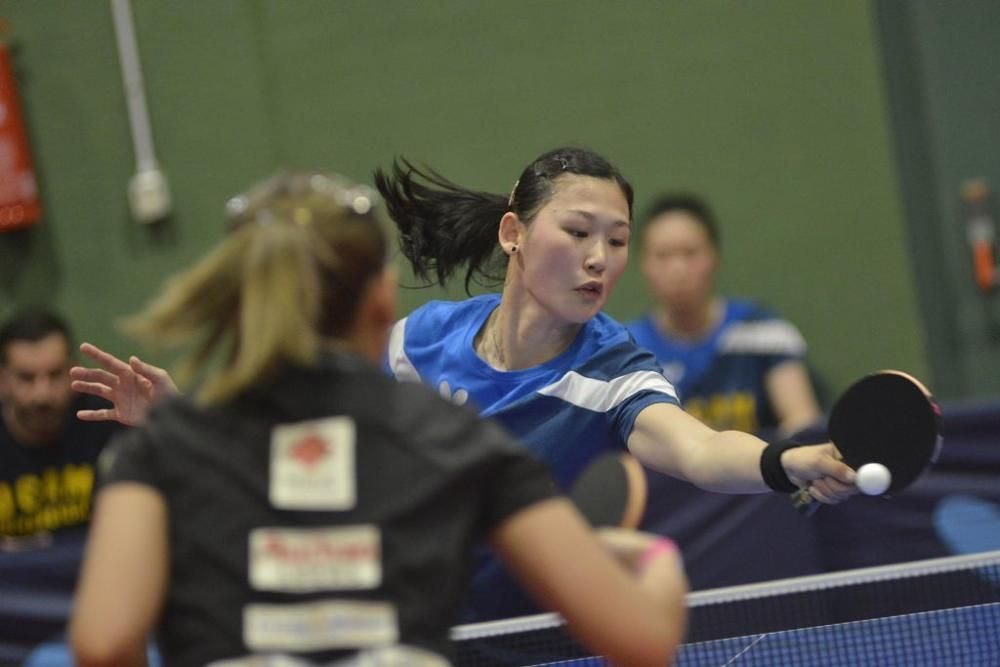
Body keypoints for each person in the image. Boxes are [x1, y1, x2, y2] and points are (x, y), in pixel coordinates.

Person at [72, 147, 854, 622]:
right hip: (419, 634)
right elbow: (301, 430)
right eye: (577, 232)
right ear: (514, 232)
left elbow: (699, 448)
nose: (599, 260)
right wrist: (185, 420)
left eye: (616, 241)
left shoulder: (609, 372)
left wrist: (785, 459)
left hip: (547, 640)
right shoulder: (420, 341)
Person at [69, 171, 688, 667]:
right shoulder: (455, 440)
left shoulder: (157, 452)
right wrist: (651, 557)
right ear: (381, 303)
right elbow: (640, 641)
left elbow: (102, 644)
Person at [627, 194, 821, 436]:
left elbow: (803, 426)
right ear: (644, 264)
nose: (677, 269)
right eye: (663, 255)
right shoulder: (629, 352)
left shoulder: (765, 332)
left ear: (713, 257)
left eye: (690, 253)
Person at [0, 310, 122, 544]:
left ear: (72, 371)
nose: (42, 394)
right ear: (2, 380)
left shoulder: (108, 421)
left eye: (55, 375)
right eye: (27, 377)